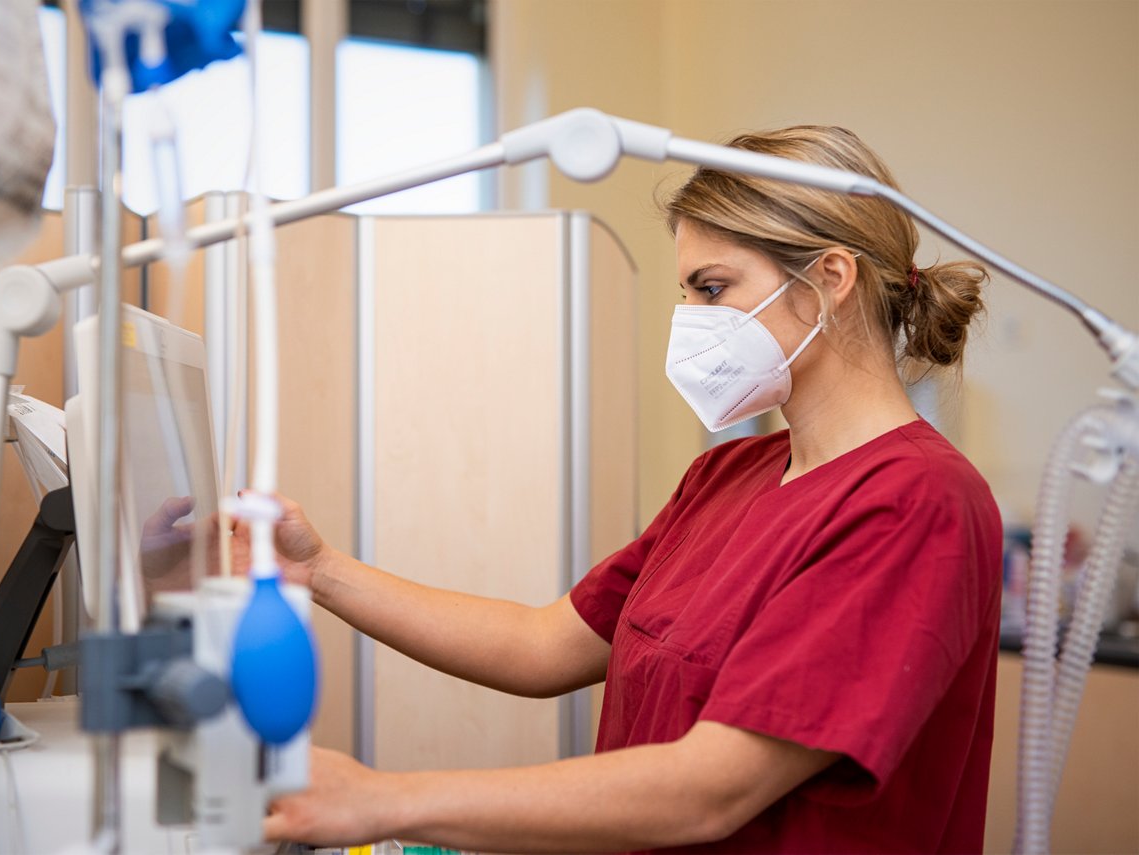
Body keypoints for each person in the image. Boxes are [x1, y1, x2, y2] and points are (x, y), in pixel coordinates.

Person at [235, 126, 1002, 853]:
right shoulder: (727, 476)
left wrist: (385, 797)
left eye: (712, 288)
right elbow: (543, 645)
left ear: (831, 278)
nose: (691, 321)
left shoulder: (916, 503)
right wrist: (319, 570)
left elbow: (714, 788)